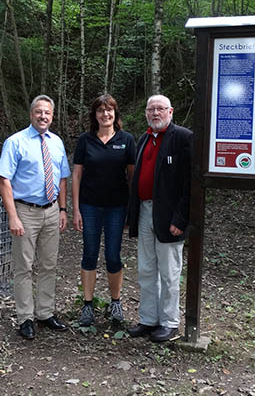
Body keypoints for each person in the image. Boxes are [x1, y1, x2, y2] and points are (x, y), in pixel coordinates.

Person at [0, 94, 71, 340]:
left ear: (52, 116)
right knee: (24, 267)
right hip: (25, 212)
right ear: (31, 114)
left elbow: (61, 178)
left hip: (51, 211)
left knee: (49, 265)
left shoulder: (57, 142)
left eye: (47, 113)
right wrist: (13, 216)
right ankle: (25, 317)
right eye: (39, 112)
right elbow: (4, 180)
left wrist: (62, 209)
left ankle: (45, 313)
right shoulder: (15, 142)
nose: (43, 116)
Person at [126, 94, 192, 342]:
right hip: (144, 211)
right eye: (151, 109)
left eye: (160, 109)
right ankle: (148, 319)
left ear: (171, 111)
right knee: (146, 269)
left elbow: (189, 184)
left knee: (169, 272)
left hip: (169, 216)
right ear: (146, 113)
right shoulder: (144, 138)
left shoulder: (183, 138)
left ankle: (169, 322)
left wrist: (181, 218)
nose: (155, 113)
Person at [72, 94, 136, 326]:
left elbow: (132, 178)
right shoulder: (85, 140)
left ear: (115, 114)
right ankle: (87, 305)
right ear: (95, 115)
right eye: (100, 110)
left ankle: (115, 301)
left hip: (116, 208)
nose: (105, 114)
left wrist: (131, 209)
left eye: (109, 110)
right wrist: (76, 209)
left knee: (112, 255)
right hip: (89, 206)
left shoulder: (126, 140)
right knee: (89, 253)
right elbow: (77, 175)